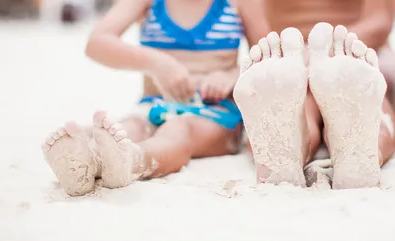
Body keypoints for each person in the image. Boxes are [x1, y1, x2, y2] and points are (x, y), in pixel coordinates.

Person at [41, 0, 268, 196]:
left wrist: (232, 74)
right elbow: (96, 43)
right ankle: (87, 162)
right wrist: (156, 63)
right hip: (153, 105)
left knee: (178, 130)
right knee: (130, 127)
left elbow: (269, 57)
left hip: (213, 112)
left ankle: (134, 160)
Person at [233, 0, 395, 189]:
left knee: (305, 107)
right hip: (291, 61)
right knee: (368, 109)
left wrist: (320, 52)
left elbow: (379, 24)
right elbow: (380, 20)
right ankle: (365, 156)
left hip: (354, 50)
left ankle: (290, 151)